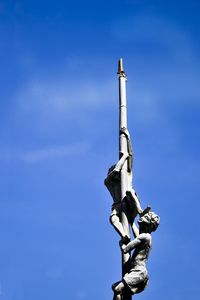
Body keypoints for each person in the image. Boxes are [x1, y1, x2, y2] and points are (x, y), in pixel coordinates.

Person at [104, 127, 150, 242]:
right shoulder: (108, 182)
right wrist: (123, 157)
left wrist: (127, 137)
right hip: (117, 205)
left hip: (131, 202)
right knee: (113, 219)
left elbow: (130, 154)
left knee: (130, 192)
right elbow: (116, 171)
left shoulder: (127, 174)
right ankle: (125, 235)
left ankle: (140, 211)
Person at [112, 211, 160, 300]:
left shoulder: (144, 237)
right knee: (115, 286)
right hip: (140, 273)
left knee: (117, 289)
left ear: (148, 224)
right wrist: (132, 222)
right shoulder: (146, 237)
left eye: (145, 217)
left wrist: (121, 242)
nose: (141, 217)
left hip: (138, 272)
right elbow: (137, 234)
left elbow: (125, 249)